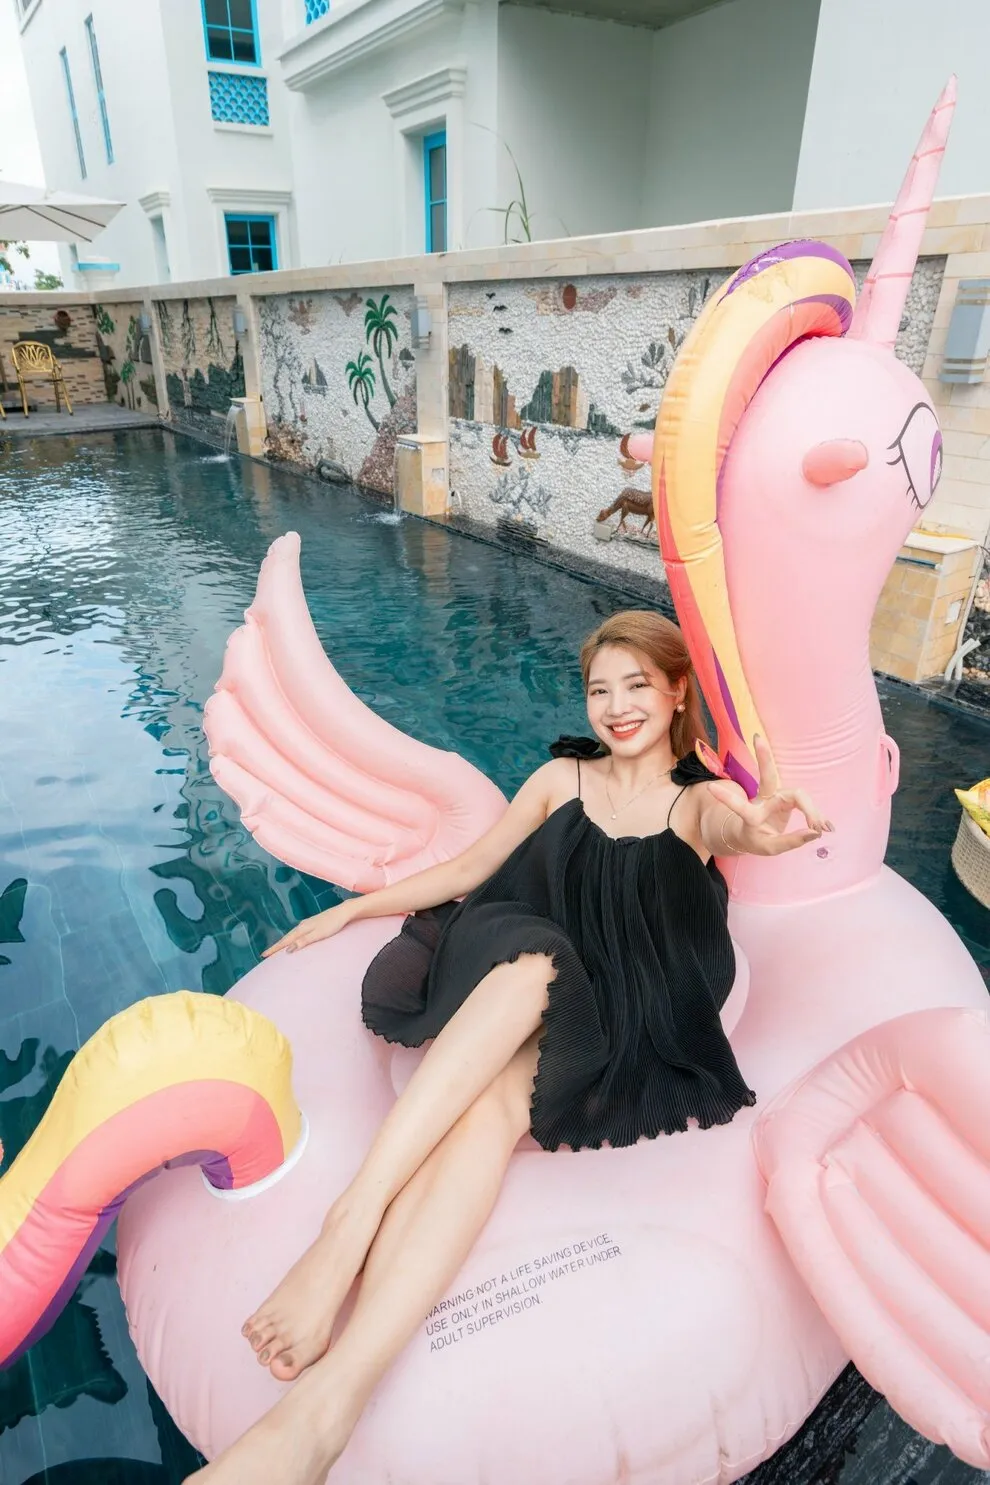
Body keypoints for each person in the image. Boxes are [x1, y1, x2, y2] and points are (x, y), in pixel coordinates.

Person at [189, 610, 830, 1485]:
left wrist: (762, 832)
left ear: (678, 691)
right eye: (600, 689)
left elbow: (736, 832)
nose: (616, 705)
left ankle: (330, 1365)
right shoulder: (562, 777)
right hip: (537, 964)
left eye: (638, 685)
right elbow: (469, 869)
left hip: (638, 992)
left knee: (499, 1087)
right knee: (530, 967)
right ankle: (339, 1307)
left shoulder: (700, 801)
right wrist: (351, 908)